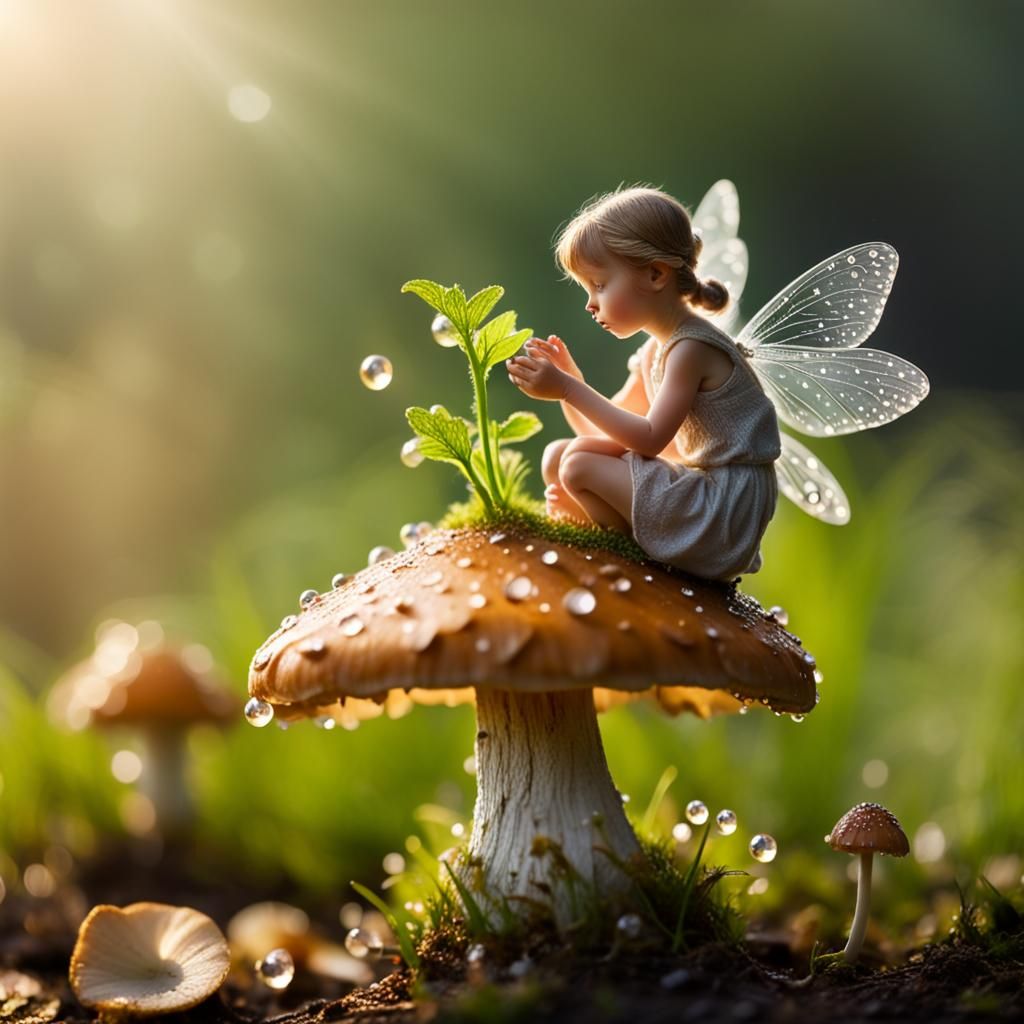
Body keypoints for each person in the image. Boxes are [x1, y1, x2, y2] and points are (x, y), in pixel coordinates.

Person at [505, 184, 781, 580]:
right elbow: (605, 434)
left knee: (578, 466)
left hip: (721, 511)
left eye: (600, 285)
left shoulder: (691, 350)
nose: (590, 304)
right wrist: (571, 384)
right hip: (699, 490)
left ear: (655, 274)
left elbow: (649, 439)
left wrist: (569, 388)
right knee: (557, 458)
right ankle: (604, 534)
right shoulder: (657, 350)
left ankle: (626, 556)